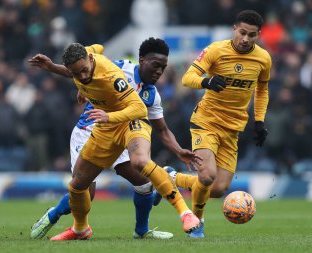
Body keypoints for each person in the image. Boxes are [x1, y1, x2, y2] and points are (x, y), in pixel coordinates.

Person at [28, 38, 201, 240]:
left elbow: (162, 129)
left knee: (143, 181)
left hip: (123, 127)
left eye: (163, 68)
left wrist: (178, 150)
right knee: (84, 190)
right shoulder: (119, 68)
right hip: (89, 129)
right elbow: (85, 66)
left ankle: (142, 230)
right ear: (142, 60)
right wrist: (78, 82)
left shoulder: (152, 96)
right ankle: (55, 214)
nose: (159, 72)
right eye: (155, 66)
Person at [154, 10, 271, 238]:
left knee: (217, 189)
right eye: (243, 33)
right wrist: (206, 81)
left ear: (258, 35)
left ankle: (170, 177)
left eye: (252, 35)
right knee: (206, 177)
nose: (246, 39)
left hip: (233, 128)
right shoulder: (216, 50)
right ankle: (197, 222)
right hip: (206, 122)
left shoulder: (263, 58)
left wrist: (259, 121)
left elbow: (262, 89)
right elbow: (188, 78)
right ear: (234, 29)